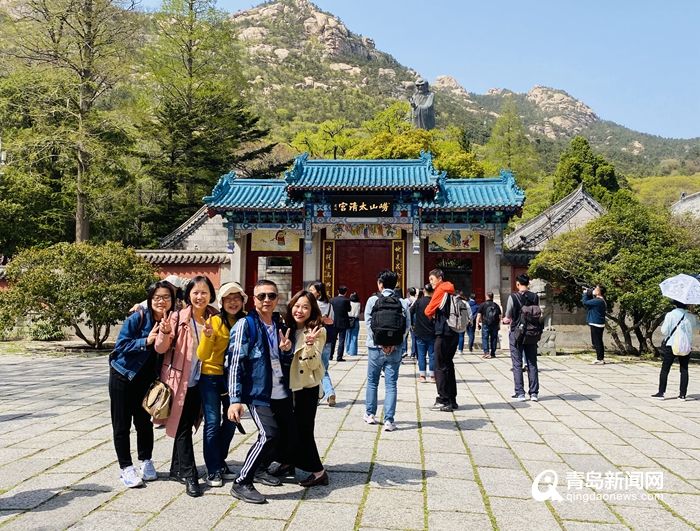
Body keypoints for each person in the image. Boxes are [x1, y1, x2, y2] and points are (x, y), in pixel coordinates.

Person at [226, 279, 294, 504]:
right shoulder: (246, 324)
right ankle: (242, 481)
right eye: (261, 296)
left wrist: (286, 351)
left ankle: (260, 467)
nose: (267, 300)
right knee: (269, 434)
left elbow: (280, 360)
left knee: (283, 433)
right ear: (253, 300)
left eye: (271, 296)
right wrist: (235, 400)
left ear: (277, 299)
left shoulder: (278, 324)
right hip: (258, 391)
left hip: (279, 389)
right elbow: (235, 362)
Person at [155, 275, 219, 497]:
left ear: (211, 295)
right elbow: (161, 349)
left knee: (190, 423)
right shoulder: (177, 318)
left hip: (203, 381)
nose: (200, 296)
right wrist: (163, 332)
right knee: (182, 428)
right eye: (195, 292)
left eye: (204, 292)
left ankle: (175, 468)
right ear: (188, 295)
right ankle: (190, 475)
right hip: (180, 382)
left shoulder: (215, 318)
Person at [109, 280, 176, 488]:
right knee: (122, 424)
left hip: (147, 380)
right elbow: (120, 346)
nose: (162, 301)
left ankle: (146, 462)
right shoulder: (137, 318)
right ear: (150, 300)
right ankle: (126, 468)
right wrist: (145, 341)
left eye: (166, 297)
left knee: (144, 423)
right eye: (157, 298)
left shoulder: (174, 319)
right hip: (123, 374)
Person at [276, 290, 329, 487]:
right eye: (297, 306)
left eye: (306, 307)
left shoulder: (317, 331)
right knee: (286, 426)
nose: (300, 310)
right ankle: (288, 461)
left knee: (304, 429)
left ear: (312, 310)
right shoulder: (286, 327)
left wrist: (309, 345)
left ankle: (318, 471)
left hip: (306, 388)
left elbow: (314, 365)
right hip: (287, 386)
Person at [196, 282, 247, 487]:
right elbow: (202, 355)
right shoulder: (214, 321)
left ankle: (219, 460)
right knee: (212, 422)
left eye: (236, 298)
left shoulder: (247, 321)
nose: (232, 302)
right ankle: (213, 469)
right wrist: (207, 337)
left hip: (234, 378)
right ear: (222, 302)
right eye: (228, 298)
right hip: (211, 376)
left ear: (243, 300)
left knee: (232, 420)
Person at [364, 269, 410, 431]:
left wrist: (379, 342)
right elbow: (406, 326)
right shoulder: (403, 302)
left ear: (380, 284)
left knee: (372, 381)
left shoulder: (372, 300)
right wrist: (394, 343)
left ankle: (370, 414)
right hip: (395, 349)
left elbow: (368, 324)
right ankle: (389, 420)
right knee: (391, 384)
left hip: (375, 348)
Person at [425, 269, 459, 412]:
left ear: (439, 278)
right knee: (448, 365)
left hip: (443, 332)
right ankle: (452, 399)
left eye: (432, 279)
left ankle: (443, 400)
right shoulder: (451, 290)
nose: (431, 282)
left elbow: (428, 310)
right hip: (454, 332)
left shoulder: (440, 290)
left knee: (439, 366)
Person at [503, 274, 540, 402]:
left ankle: (520, 393)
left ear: (517, 284)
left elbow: (508, 315)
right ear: (528, 284)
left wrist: (505, 320)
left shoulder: (513, 297)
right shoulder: (535, 297)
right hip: (532, 332)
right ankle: (534, 393)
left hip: (517, 332)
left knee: (517, 363)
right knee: (532, 362)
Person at [652, 300, 699, 401]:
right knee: (684, 369)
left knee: (665, 368)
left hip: (671, 345)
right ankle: (682, 395)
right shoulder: (690, 316)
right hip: (685, 346)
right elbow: (698, 327)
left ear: (675, 303)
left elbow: (664, 331)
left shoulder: (670, 315)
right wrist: (693, 313)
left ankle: (661, 392)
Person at [308, 281, 336, 406]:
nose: (309, 292)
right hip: (327, 338)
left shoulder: (312, 306)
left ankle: (326, 392)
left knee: (316, 367)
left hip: (315, 338)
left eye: (312, 290)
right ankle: (325, 393)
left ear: (318, 293)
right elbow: (332, 320)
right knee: (323, 367)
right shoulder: (329, 305)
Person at [411, 283, 436, 382]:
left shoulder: (418, 302)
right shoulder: (435, 302)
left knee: (421, 355)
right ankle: (433, 376)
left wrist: (412, 323)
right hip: (432, 332)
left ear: (424, 291)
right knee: (432, 354)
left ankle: (422, 376)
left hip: (420, 331)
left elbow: (410, 311)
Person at [583, 285, 607, 365]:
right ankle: (600, 358)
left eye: (596, 289)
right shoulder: (599, 300)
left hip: (596, 323)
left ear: (599, 292)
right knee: (598, 341)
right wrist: (589, 294)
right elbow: (590, 303)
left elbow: (585, 303)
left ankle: (600, 359)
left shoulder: (598, 301)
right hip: (598, 323)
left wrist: (585, 294)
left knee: (597, 342)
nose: (594, 290)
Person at [476, 292, 502, 359]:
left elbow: (479, 315)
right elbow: (500, 316)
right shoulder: (496, 305)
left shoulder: (483, 305)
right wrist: (499, 324)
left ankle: (486, 352)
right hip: (495, 324)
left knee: (485, 338)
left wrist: (477, 323)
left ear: (486, 296)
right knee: (494, 338)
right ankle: (493, 353)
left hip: (486, 324)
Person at [330, 285, 351, 362]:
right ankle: (339, 357)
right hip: (343, 322)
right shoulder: (346, 301)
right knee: (342, 340)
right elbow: (349, 309)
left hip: (334, 322)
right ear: (345, 292)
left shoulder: (332, 300)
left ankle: (330, 355)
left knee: (333, 340)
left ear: (338, 291)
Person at [405, 287, 418, 359]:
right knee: (414, 337)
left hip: (407, 320)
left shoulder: (405, 301)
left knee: (405, 337)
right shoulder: (417, 300)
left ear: (409, 293)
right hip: (415, 321)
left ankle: (404, 351)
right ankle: (413, 353)